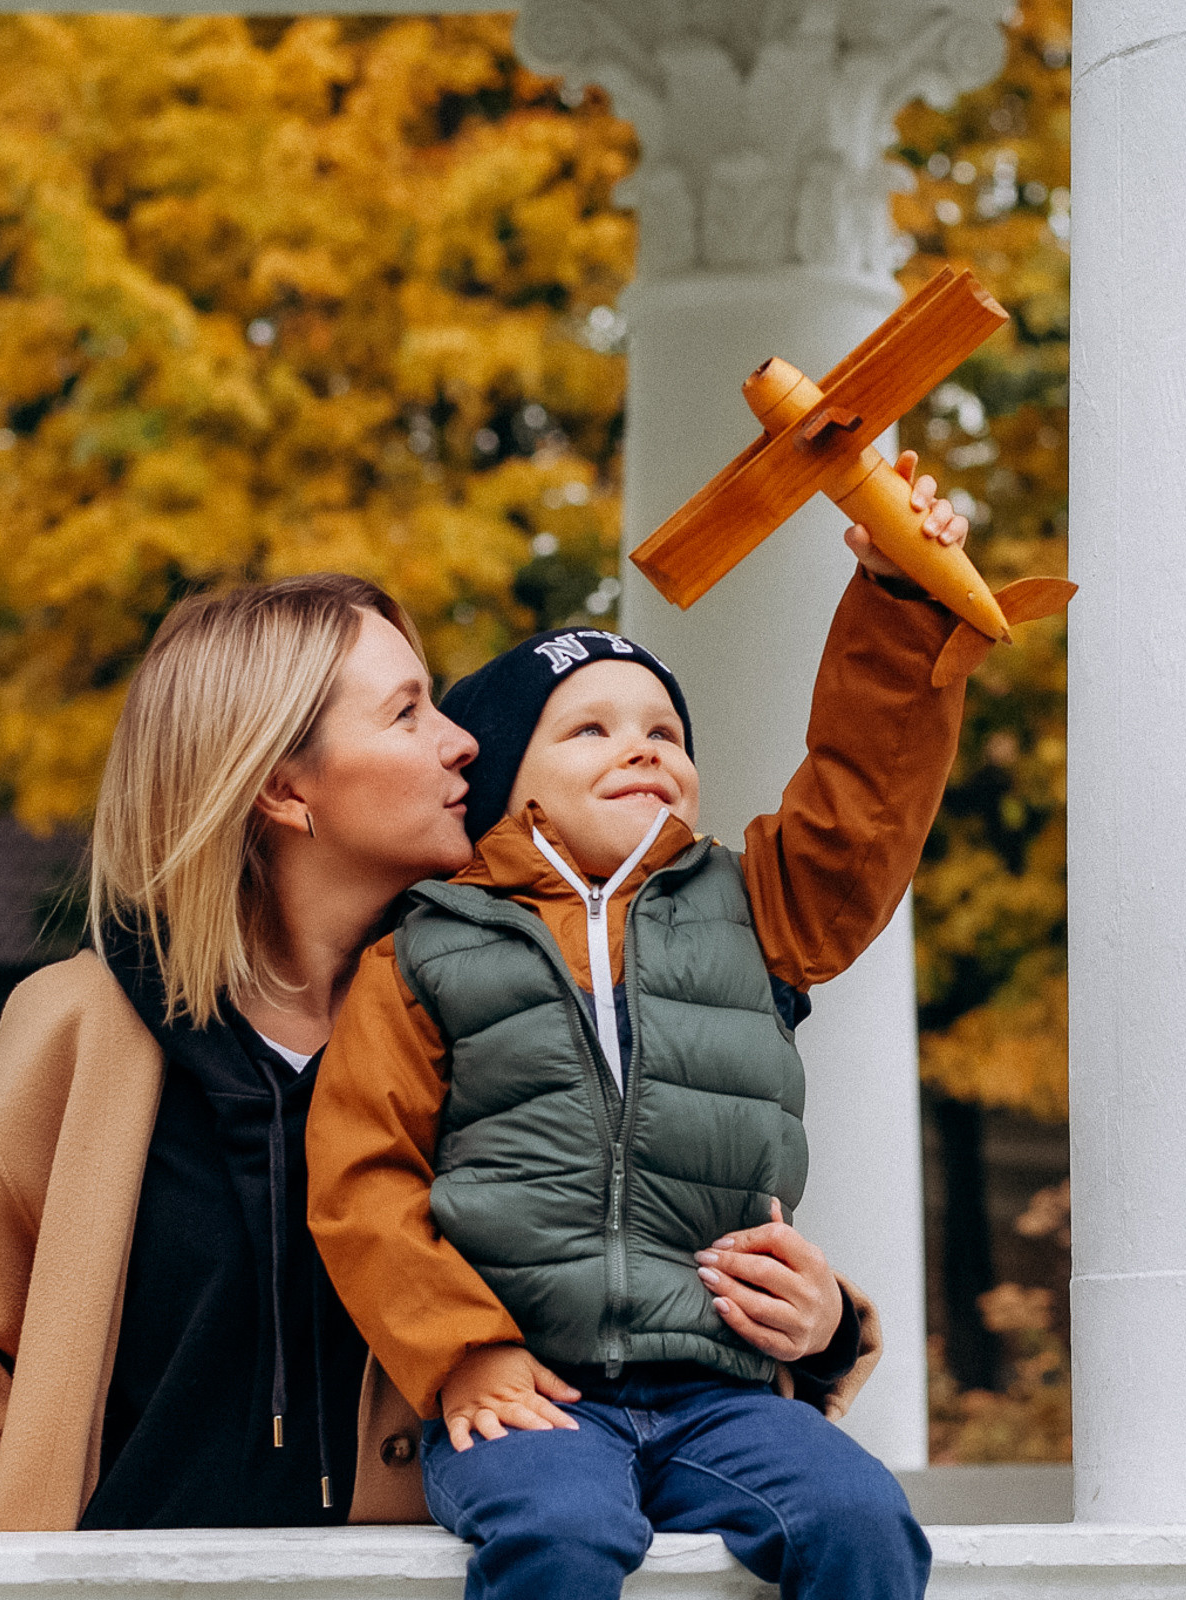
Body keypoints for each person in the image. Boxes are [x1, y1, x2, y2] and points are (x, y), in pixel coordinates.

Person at [0, 573, 863, 1534]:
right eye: (407, 711)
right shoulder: (78, 1026)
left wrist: (816, 1328)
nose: (462, 741)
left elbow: (627, 1276)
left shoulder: (498, 1002)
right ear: (284, 787)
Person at [306, 454, 972, 1599]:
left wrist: (903, 604)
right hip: (530, 1387)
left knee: (860, 1515)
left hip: (721, 1388)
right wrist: (465, 1351)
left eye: (666, 729)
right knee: (558, 1537)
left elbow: (863, 790)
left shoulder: (757, 907)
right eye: (592, 731)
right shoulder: (427, 945)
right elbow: (363, 1174)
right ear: (510, 780)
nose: (644, 746)